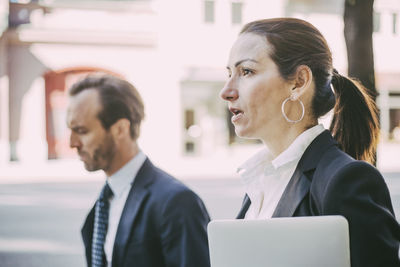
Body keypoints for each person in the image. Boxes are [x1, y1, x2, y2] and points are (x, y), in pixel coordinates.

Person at [219, 18, 400, 267]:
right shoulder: (260, 181)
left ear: (299, 82)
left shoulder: (345, 181)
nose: (226, 91)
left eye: (246, 72)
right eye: (229, 74)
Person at [66, 74, 211, 267]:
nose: (72, 143)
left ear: (120, 129)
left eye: (82, 131)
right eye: (70, 130)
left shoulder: (176, 202)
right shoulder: (106, 201)